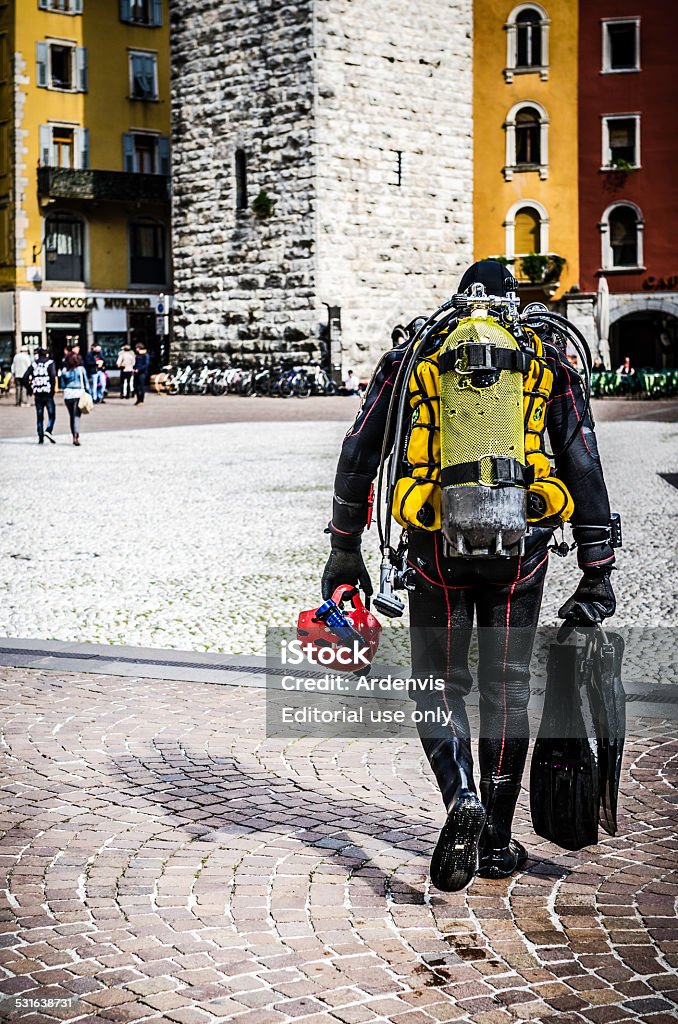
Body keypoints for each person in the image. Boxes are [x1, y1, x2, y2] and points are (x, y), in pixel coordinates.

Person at [321, 260, 617, 892]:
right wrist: (597, 571)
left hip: (436, 553)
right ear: (515, 301)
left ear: (459, 299)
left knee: (438, 683)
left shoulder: (416, 356)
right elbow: (583, 463)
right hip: (521, 554)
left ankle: (461, 800)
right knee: (506, 688)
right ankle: (498, 843)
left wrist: (345, 548)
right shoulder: (546, 358)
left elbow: (359, 453)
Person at [22, 347, 57, 444]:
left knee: (39, 416)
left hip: (37, 392)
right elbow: (53, 376)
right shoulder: (50, 363)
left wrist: (30, 388)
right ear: (46, 354)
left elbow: (25, 377)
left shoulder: (34, 364)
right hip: (47, 392)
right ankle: (48, 430)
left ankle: (40, 437)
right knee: (52, 414)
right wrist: (52, 390)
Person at [59, 351, 91, 446]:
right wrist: (89, 394)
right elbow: (86, 383)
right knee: (76, 416)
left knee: (71, 416)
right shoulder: (81, 369)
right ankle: (76, 436)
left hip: (68, 395)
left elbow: (62, 385)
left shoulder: (64, 370)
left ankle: (73, 434)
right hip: (78, 394)